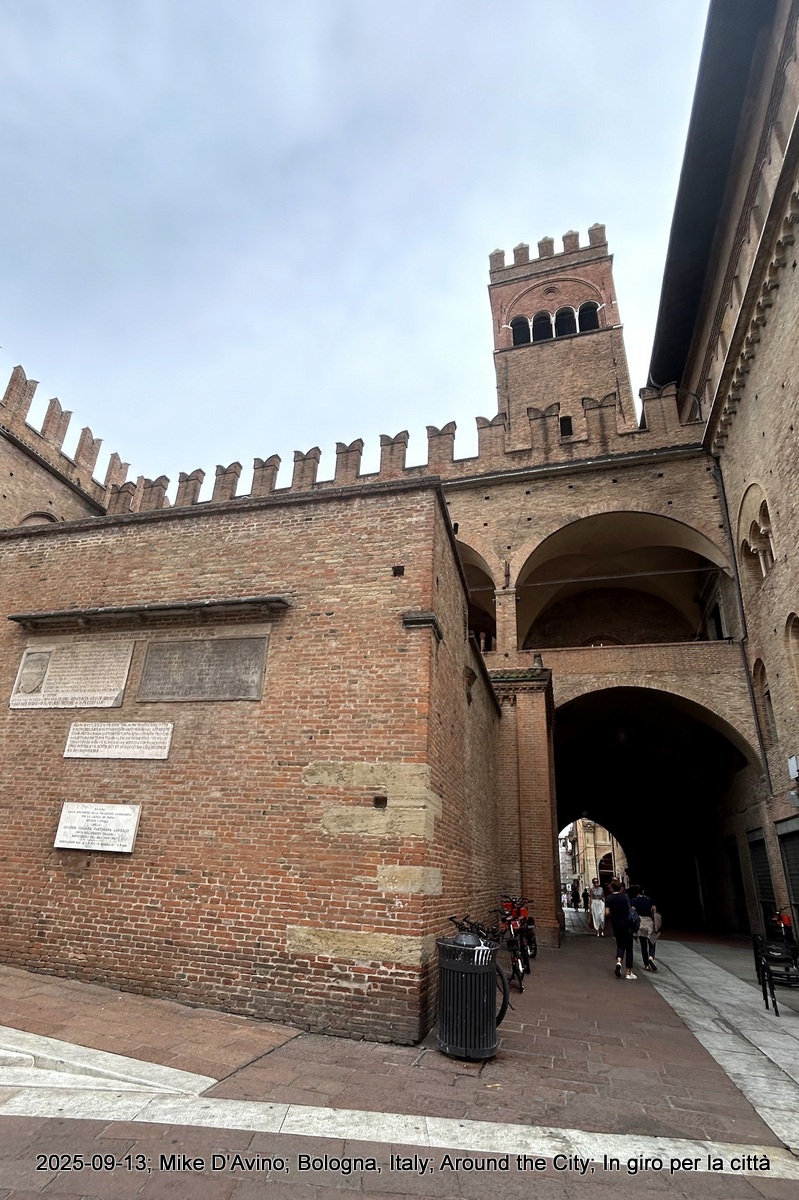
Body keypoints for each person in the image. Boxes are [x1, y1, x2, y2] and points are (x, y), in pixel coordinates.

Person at [605, 879, 636, 979]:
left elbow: (607, 912)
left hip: (616, 924)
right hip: (626, 923)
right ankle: (629, 972)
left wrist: (613, 913)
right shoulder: (625, 896)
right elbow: (630, 908)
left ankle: (619, 961)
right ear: (620, 887)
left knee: (620, 944)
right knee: (629, 947)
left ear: (612, 888)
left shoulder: (609, 898)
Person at [629, 884, 660, 971]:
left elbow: (632, 912)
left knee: (643, 945)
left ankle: (646, 965)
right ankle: (651, 957)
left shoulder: (633, 900)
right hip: (649, 921)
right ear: (643, 891)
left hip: (640, 922)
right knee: (652, 941)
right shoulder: (649, 900)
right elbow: (654, 910)